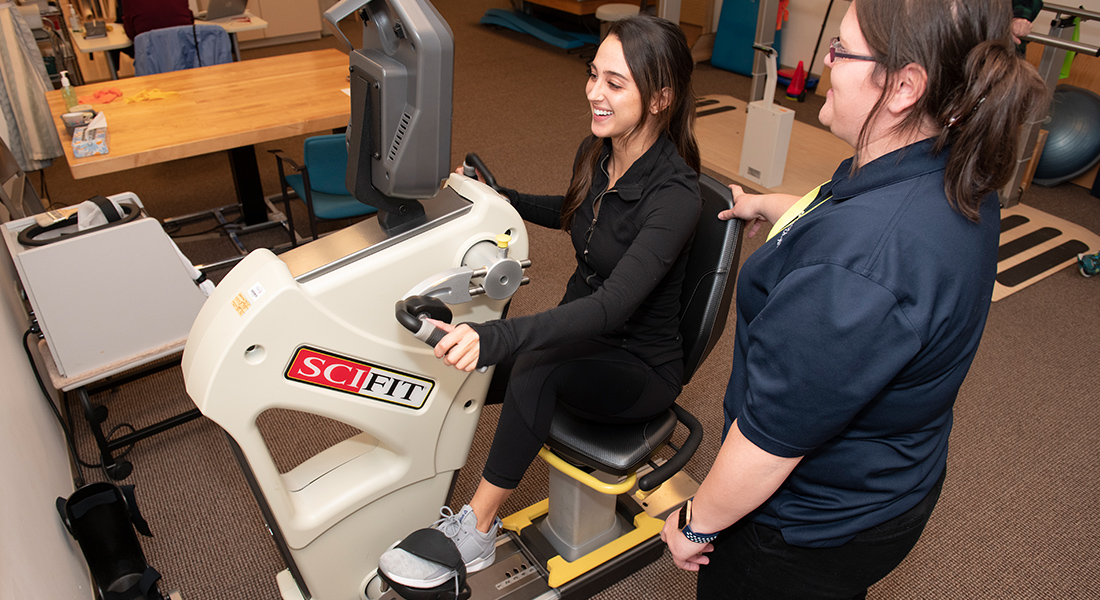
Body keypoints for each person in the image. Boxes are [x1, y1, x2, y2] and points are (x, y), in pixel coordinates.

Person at [660, 1, 1048, 598]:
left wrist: (698, 522)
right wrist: (773, 206)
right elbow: (841, 204)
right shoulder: (947, 165)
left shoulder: (859, 265)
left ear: (904, 86)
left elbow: (770, 440)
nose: (824, 62)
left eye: (840, 50)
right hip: (892, 484)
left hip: (805, 527)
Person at [378, 13, 702, 591]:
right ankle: (432, 492)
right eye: (593, 75)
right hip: (588, 340)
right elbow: (578, 213)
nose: (594, 93)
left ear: (660, 99)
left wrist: (498, 340)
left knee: (532, 363)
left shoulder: (675, 195)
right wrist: (502, 198)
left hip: (639, 366)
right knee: (476, 375)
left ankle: (475, 532)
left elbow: (611, 307)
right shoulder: (598, 150)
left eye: (615, 83)